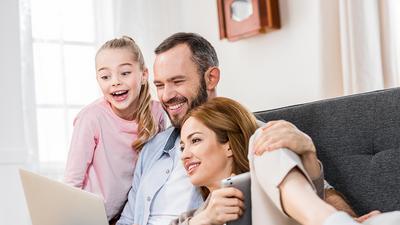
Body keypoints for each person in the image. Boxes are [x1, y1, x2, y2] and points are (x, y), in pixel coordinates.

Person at [117, 32, 354, 225]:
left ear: (211, 78)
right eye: (159, 85)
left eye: (177, 81)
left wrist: (308, 153)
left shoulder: (253, 134)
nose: (167, 95)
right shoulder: (151, 150)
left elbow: (313, 191)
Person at [174, 97, 400, 225]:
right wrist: (205, 219)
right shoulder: (190, 218)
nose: (184, 154)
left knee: (264, 139)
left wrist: (308, 152)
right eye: (182, 147)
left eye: (195, 141)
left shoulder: (267, 162)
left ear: (229, 145)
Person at [64, 36, 165, 223]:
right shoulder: (91, 118)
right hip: (89, 217)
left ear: (144, 75)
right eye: (105, 76)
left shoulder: (157, 112)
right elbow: (72, 182)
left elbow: (159, 169)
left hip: (129, 216)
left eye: (125, 73)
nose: (115, 82)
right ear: (98, 80)